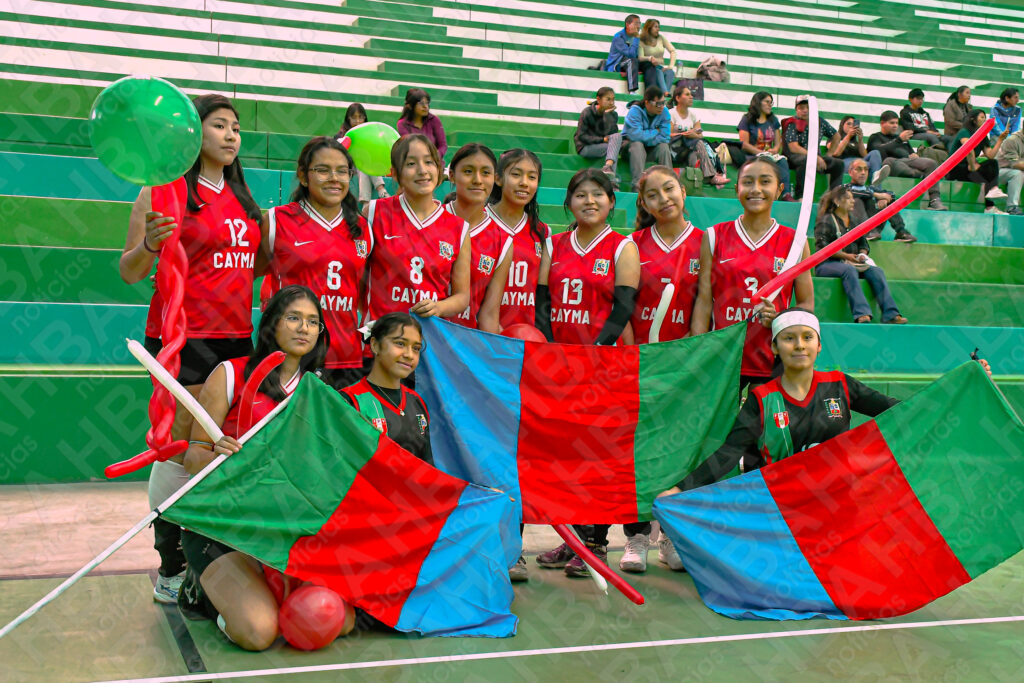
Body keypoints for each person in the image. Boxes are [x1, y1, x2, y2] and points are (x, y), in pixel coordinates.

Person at [120, 93, 263, 606]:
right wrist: (151, 246)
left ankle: (210, 555)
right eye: (219, 125)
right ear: (192, 132)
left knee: (219, 448)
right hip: (183, 336)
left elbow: (258, 266)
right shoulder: (162, 191)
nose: (231, 136)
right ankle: (170, 565)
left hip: (236, 338)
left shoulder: (245, 199)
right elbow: (130, 270)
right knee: (181, 447)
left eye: (236, 128)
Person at [661, 309, 991, 495]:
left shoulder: (840, 385)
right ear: (775, 347)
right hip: (776, 504)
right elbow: (728, 454)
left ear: (819, 346)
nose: (799, 345)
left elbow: (903, 409)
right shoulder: (762, 399)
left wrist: (962, 384)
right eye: (789, 339)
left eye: (808, 337)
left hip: (834, 500)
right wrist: (680, 489)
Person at [180, 285, 346, 650]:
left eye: (313, 322)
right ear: (271, 323)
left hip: (281, 526)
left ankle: (262, 582)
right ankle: (200, 592)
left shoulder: (319, 391)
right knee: (259, 632)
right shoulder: (230, 374)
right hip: (221, 524)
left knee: (341, 621)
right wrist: (219, 457)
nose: (304, 328)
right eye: (294, 318)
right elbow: (192, 457)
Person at [534, 168, 641, 578]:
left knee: (596, 457)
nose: (589, 201)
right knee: (565, 456)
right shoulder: (554, 244)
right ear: (569, 202)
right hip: (561, 366)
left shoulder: (622, 246)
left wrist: (597, 351)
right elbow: (543, 301)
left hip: (602, 368)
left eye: (598, 194)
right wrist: (551, 348)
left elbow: (624, 307)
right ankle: (573, 540)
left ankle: (595, 543)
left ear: (612, 202)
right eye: (581, 194)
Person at [619, 165, 702, 573]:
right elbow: (623, 305)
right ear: (644, 204)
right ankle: (635, 536)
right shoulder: (632, 245)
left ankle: (670, 534)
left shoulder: (706, 243)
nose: (663, 199)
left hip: (684, 367)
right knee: (638, 452)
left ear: (683, 191)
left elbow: (706, 301)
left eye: (669, 189)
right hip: (642, 366)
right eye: (652, 195)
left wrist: (694, 355)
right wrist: (633, 357)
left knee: (678, 452)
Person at [690, 158, 815, 389]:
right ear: (736, 188)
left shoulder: (795, 242)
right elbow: (704, 300)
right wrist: (698, 349)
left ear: (779, 189)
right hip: (724, 356)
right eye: (747, 182)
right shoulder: (714, 236)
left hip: (774, 358)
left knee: (769, 414)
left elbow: (806, 304)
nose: (756, 189)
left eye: (765, 182)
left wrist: (781, 318)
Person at [261, 136, 369, 390]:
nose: (334, 178)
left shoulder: (363, 228)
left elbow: (365, 291)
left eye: (342, 171)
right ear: (303, 175)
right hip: (290, 356)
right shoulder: (278, 220)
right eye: (323, 170)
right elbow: (247, 274)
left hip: (345, 359)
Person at [365, 134, 470, 337]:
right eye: (411, 164)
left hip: (430, 341)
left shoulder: (458, 228)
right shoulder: (374, 212)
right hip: (380, 340)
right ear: (395, 174)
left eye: (429, 162)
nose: (422, 170)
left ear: (439, 168)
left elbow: (462, 297)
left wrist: (439, 307)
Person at [340, 313, 432, 465]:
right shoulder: (349, 400)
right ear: (375, 345)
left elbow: (427, 467)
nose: (409, 355)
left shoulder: (417, 402)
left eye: (416, 348)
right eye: (400, 343)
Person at [814, 186, 907, 325]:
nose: (852, 201)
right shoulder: (826, 220)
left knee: (876, 271)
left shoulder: (854, 220)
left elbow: (863, 244)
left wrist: (862, 255)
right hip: (827, 265)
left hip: (852, 263)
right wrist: (847, 256)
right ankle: (861, 313)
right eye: (848, 198)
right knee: (849, 270)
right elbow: (823, 248)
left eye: (852, 198)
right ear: (837, 201)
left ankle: (890, 314)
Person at [443, 144, 512, 331]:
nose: (477, 180)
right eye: (468, 171)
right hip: (422, 335)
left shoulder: (502, 241)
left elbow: (489, 313)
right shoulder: (434, 219)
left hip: (464, 341)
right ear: (452, 175)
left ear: (495, 178)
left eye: (486, 173)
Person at [487, 148, 551, 330]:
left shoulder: (543, 232)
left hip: (524, 334)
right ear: (498, 179)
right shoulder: (479, 222)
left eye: (532, 177)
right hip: (480, 332)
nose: (524, 183)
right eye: (516, 174)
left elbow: (542, 294)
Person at [868, 111, 947, 211]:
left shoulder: (900, 137)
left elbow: (910, 152)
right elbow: (878, 151)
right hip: (891, 163)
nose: (895, 126)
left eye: (896, 123)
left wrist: (915, 155)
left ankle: (934, 200)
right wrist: (899, 140)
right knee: (892, 162)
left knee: (931, 163)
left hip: (908, 162)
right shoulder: (875, 137)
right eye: (892, 123)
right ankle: (923, 175)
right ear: (882, 123)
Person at [734, 91, 795, 201]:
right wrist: (760, 152)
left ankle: (785, 194)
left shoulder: (773, 120)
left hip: (768, 154)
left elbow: (778, 143)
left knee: (782, 161)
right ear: (758, 102)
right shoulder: (747, 119)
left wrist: (775, 149)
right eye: (767, 102)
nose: (770, 105)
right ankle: (767, 193)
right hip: (752, 155)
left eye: (771, 102)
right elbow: (744, 144)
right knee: (766, 160)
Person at [948, 109, 1009, 214]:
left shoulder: (983, 135)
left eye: (985, 117)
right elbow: (968, 149)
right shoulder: (964, 131)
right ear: (973, 119)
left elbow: (990, 155)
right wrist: (972, 166)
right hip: (956, 168)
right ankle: (990, 206)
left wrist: (1000, 140)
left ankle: (991, 199)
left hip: (969, 168)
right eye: (982, 117)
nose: (984, 120)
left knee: (993, 163)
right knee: (987, 174)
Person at [784, 94, 844, 198]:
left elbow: (836, 136)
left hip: (816, 159)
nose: (805, 110)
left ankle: (834, 196)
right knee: (806, 160)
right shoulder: (792, 123)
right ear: (796, 110)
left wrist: (829, 154)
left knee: (838, 164)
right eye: (801, 108)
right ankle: (801, 196)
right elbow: (793, 147)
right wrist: (814, 157)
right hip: (794, 158)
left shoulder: (819, 121)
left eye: (808, 107)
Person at [845, 158, 916, 242]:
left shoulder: (869, 189)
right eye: (859, 169)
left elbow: (892, 195)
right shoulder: (845, 188)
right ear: (850, 172)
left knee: (889, 202)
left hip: (874, 230)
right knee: (857, 200)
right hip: (854, 229)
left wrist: (885, 200)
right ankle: (867, 231)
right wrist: (877, 195)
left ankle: (901, 232)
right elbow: (853, 193)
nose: (863, 173)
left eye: (866, 170)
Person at [669, 84, 728, 187]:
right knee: (699, 144)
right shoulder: (671, 113)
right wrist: (684, 134)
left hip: (688, 149)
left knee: (695, 154)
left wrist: (692, 134)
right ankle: (712, 176)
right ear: (678, 98)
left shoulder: (694, 115)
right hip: (674, 149)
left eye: (691, 94)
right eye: (687, 94)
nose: (691, 97)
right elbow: (668, 134)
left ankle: (695, 185)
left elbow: (700, 135)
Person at [336, 103, 388, 213]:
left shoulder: (369, 135)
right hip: (349, 168)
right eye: (354, 118)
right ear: (348, 119)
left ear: (365, 118)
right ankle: (380, 190)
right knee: (363, 163)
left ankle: (367, 203)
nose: (358, 121)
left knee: (365, 164)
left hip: (365, 166)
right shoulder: (341, 136)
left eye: (360, 117)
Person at [622, 85, 672, 192]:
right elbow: (635, 136)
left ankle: (669, 184)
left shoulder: (665, 112)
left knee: (663, 147)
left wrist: (646, 139)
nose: (661, 106)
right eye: (658, 104)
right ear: (647, 102)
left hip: (649, 150)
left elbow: (665, 137)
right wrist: (655, 131)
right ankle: (638, 186)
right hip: (629, 149)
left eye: (663, 102)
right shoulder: (635, 111)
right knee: (637, 144)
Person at [574, 87, 622, 186]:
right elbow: (581, 136)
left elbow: (613, 135)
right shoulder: (587, 112)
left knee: (617, 137)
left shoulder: (613, 115)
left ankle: (608, 167)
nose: (611, 103)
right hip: (585, 147)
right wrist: (602, 139)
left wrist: (608, 116)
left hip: (604, 147)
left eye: (613, 99)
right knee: (612, 148)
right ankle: (612, 183)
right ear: (598, 99)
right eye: (608, 99)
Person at [834, 115, 888, 184]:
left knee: (875, 153)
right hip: (844, 163)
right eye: (848, 124)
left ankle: (876, 177)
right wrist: (848, 136)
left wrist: (860, 140)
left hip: (860, 162)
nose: (851, 126)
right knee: (868, 166)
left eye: (853, 124)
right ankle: (875, 179)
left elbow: (865, 155)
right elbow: (836, 153)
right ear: (842, 126)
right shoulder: (835, 138)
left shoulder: (855, 142)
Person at [396, 88, 447, 159]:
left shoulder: (434, 120)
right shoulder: (402, 124)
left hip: (435, 162)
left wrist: (436, 156)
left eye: (427, 103)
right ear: (410, 106)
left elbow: (443, 145)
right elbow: (411, 146)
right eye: (421, 103)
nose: (425, 106)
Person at [604, 14, 642, 93]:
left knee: (649, 64)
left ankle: (654, 93)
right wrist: (636, 38)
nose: (638, 26)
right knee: (631, 61)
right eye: (636, 23)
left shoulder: (637, 37)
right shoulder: (619, 37)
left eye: (639, 23)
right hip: (617, 64)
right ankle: (632, 90)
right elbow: (631, 55)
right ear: (627, 25)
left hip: (632, 63)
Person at [638, 18, 676, 94]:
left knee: (670, 72)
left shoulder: (661, 38)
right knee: (658, 71)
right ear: (649, 28)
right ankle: (665, 92)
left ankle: (665, 93)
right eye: (655, 27)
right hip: (650, 67)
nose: (658, 29)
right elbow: (640, 57)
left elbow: (673, 51)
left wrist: (670, 66)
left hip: (660, 66)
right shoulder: (641, 40)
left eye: (658, 27)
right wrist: (650, 58)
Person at [995, 126, 1024, 215]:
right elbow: (1015, 164)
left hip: (1013, 171)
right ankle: (1012, 207)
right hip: (998, 172)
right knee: (1017, 174)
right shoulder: (1012, 140)